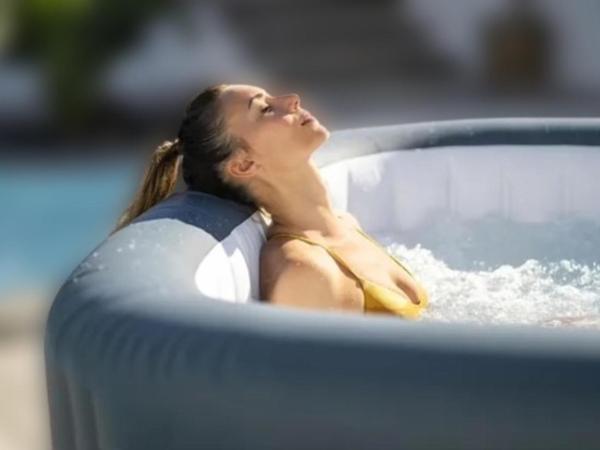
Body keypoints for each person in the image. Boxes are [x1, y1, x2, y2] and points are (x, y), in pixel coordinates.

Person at [112, 83, 429, 318]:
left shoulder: (345, 223)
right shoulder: (305, 272)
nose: (291, 100)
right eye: (264, 109)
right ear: (244, 165)